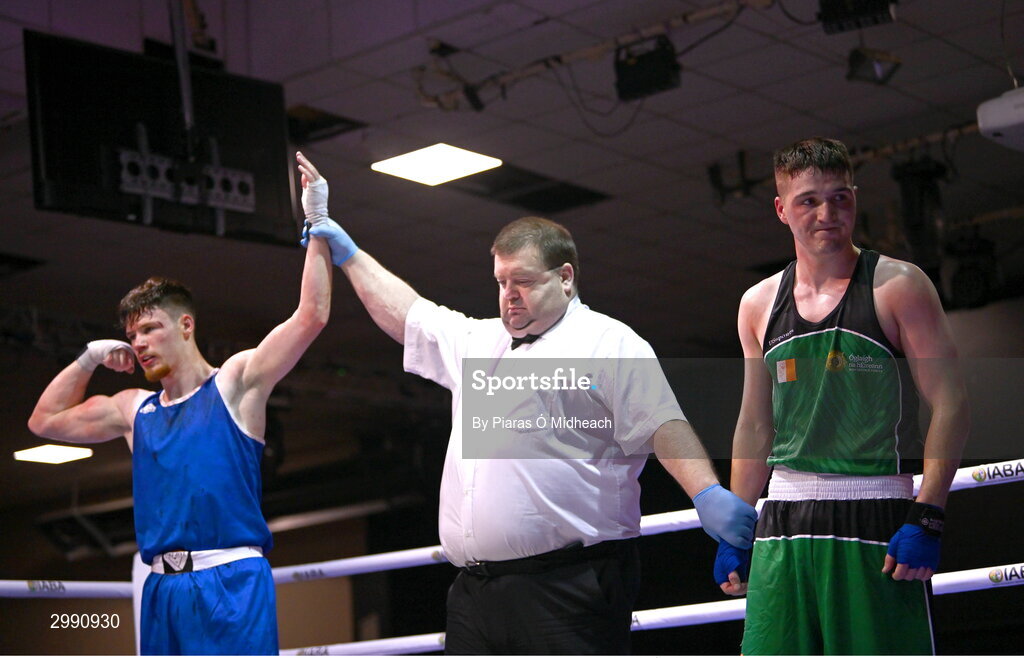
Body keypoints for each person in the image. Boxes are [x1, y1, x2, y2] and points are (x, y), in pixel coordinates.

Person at [302, 202, 757, 653]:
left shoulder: (606, 341)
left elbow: (660, 423)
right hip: (476, 592)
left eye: (523, 281)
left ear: (565, 277)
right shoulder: (480, 341)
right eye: (501, 282)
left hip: (571, 584)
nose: (509, 294)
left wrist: (705, 493)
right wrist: (348, 253)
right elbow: (410, 316)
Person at [27, 152, 334, 655]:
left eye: (151, 328)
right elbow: (44, 422)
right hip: (161, 590)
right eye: (132, 334)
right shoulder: (134, 411)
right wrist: (88, 358)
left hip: (231, 582)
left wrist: (317, 222)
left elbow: (311, 316)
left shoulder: (234, 384)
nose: (139, 342)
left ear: (186, 326)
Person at [719, 137, 970, 654]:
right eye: (809, 199)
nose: (827, 212)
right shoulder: (758, 303)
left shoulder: (898, 285)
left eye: (840, 197)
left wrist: (929, 513)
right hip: (782, 519)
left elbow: (951, 401)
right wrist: (737, 523)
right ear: (781, 210)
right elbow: (754, 424)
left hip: (873, 511)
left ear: (854, 199)